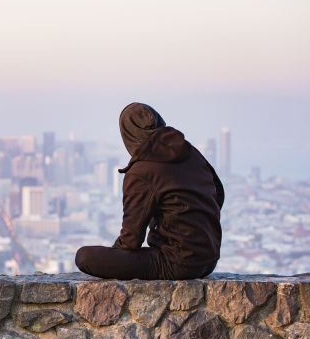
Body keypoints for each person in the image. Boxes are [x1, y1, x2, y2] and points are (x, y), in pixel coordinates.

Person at [75, 102, 224, 280]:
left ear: (128, 134)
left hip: (176, 263)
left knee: (84, 257)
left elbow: (130, 240)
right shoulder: (191, 153)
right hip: (209, 260)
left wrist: (116, 257)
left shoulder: (141, 171)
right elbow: (218, 193)